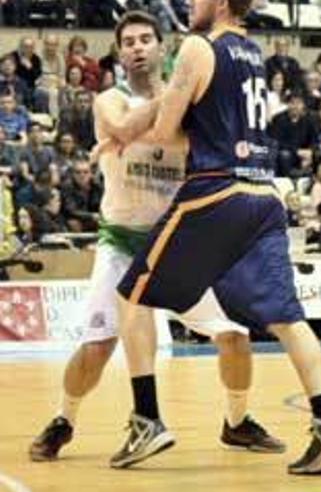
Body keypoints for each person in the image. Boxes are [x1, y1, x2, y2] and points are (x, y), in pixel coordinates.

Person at [101, 3, 321, 474]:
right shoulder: (254, 52)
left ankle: (147, 420)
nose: (190, 5)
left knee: (132, 296)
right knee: (287, 318)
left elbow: (165, 130)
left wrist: (134, 129)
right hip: (265, 194)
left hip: (218, 190)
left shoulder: (200, 46)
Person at [29, 12, 287, 462]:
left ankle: (236, 420)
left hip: (178, 240)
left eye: (146, 38)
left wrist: (137, 130)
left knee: (235, 337)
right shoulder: (109, 97)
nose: (137, 47)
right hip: (123, 239)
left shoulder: (187, 99)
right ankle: (63, 418)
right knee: (96, 349)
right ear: (118, 52)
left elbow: (165, 139)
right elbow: (120, 125)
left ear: (162, 48)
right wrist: (159, 114)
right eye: (128, 41)